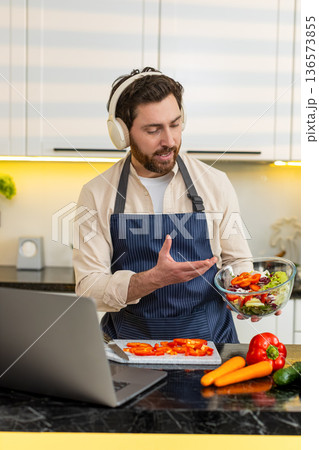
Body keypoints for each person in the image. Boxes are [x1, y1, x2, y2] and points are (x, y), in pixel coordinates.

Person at [73, 67, 252, 343]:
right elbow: (88, 289)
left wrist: (248, 293)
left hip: (211, 344)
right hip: (127, 346)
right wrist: (151, 279)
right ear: (122, 133)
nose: (169, 141)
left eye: (175, 124)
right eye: (153, 130)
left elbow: (237, 261)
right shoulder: (96, 194)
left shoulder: (215, 183)